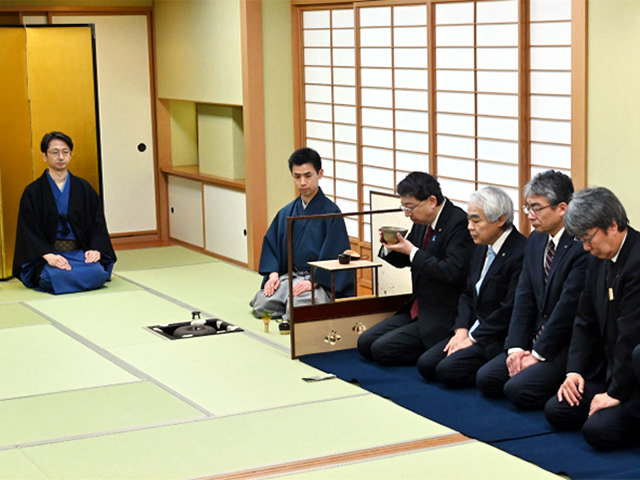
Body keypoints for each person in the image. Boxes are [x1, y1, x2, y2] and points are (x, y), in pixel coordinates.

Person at [476, 170, 588, 409]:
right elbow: (524, 296)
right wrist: (516, 348)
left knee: (516, 390)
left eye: (536, 208)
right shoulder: (536, 239)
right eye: (527, 208)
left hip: (562, 345)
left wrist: (537, 355)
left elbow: (566, 309)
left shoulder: (581, 246)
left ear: (562, 208)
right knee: (487, 378)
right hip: (532, 337)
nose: (529, 216)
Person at [545, 187, 640, 450]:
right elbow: (584, 320)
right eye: (581, 240)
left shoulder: (637, 260)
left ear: (612, 226)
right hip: (607, 369)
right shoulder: (598, 258)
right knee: (558, 409)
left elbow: (630, 335)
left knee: (597, 432)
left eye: (588, 238)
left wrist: (615, 394)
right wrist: (574, 371)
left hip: (633, 379)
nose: (586, 247)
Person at [357, 172, 473, 365]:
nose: (407, 214)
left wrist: (412, 251)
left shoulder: (458, 223)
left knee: (381, 349)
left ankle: (433, 351)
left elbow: (452, 272)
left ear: (432, 201)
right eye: (404, 207)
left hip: (441, 313)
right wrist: (390, 247)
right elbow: (409, 258)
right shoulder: (422, 221)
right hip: (417, 307)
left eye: (410, 207)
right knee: (365, 342)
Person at [417, 186, 527, 387]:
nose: (469, 227)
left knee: (447, 371)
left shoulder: (520, 251)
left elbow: (509, 309)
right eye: (469, 220)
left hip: (494, 334)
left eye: (476, 221)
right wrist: (461, 330)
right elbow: (468, 292)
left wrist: (473, 337)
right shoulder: (481, 245)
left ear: (500, 220)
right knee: (426, 364)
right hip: (471, 327)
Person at [250, 147, 353, 324]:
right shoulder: (287, 212)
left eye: (308, 176)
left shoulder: (331, 213)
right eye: (297, 177)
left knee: (298, 310)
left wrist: (315, 280)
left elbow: (337, 254)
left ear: (320, 174)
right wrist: (273, 275)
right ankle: (288, 302)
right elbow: (272, 245)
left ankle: (292, 305)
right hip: (291, 277)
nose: (303, 182)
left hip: (318, 281)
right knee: (261, 304)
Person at [13, 131, 116, 294]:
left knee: (98, 273)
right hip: (49, 254)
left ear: (70, 155)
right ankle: (63, 276)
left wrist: (95, 249)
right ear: (44, 156)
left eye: (65, 152)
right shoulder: (33, 192)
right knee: (49, 277)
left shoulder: (83, 188)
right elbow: (28, 230)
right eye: (55, 152)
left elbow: (98, 223)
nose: (61, 157)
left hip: (79, 253)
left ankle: (73, 278)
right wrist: (47, 255)